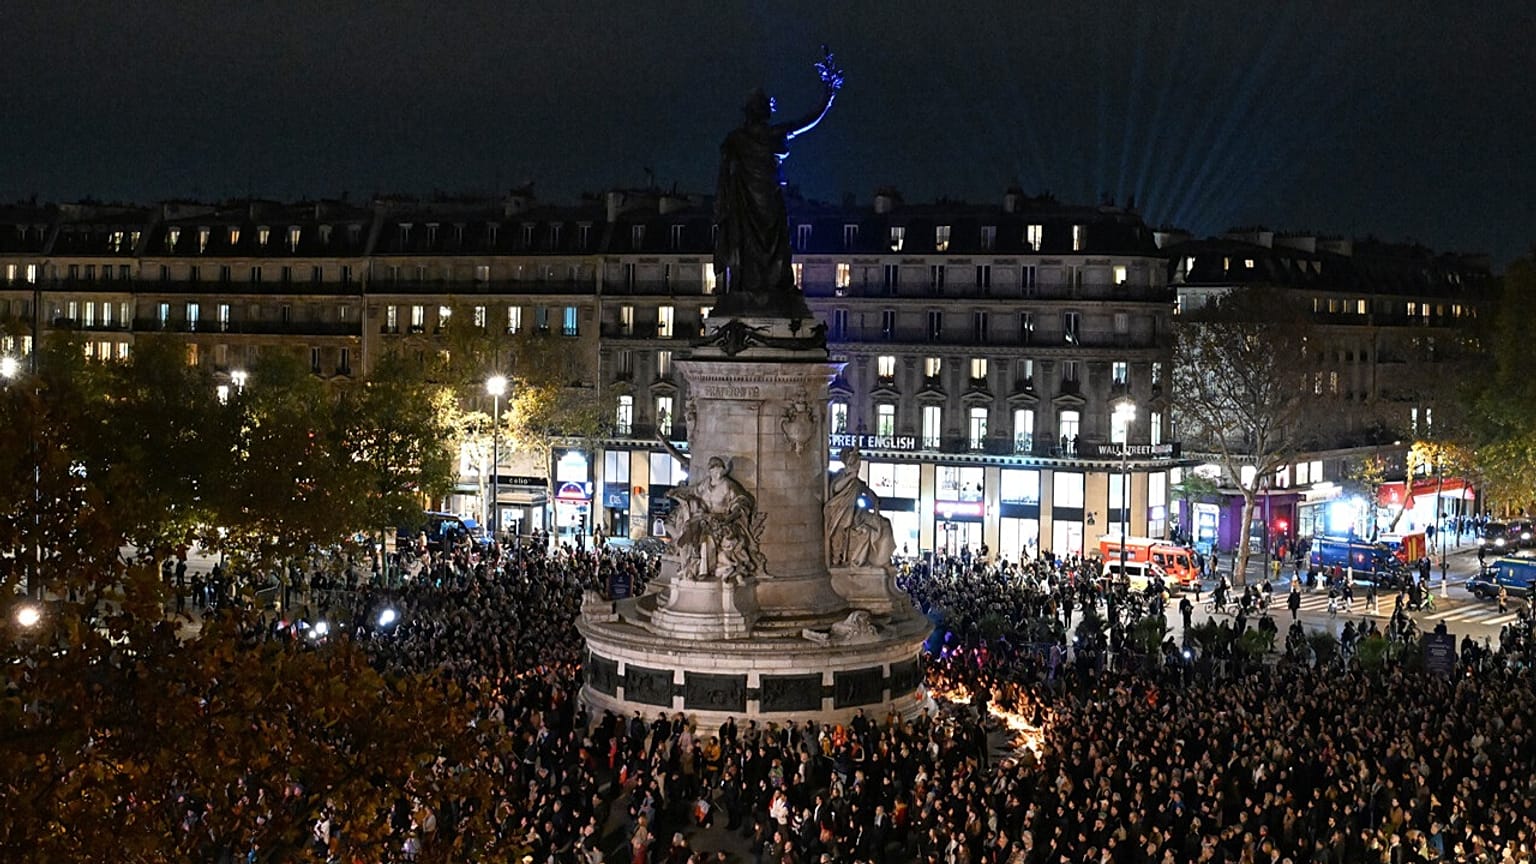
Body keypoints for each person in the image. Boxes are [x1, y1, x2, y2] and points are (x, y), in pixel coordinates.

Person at [712, 47, 842, 317]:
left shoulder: (736, 139)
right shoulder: (767, 135)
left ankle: (752, 286)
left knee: (752, 244)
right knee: (773, 242)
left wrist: (827, 98)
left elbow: (725, 175)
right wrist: (827, 98)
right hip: (764, 197)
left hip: (748, 201)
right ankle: (769, 286)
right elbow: (807, 122)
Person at [825, 447, 897, 568]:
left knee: (884, 524)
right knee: (859, 532)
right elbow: (835, 488)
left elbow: (868, 492)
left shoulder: (857, 482)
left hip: (856, 513)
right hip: (840, 513)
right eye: (855, 462)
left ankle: (881, 559)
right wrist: (850, 477)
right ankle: (846, 559)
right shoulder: (841, 474)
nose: (858, 467)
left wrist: (875, 503)